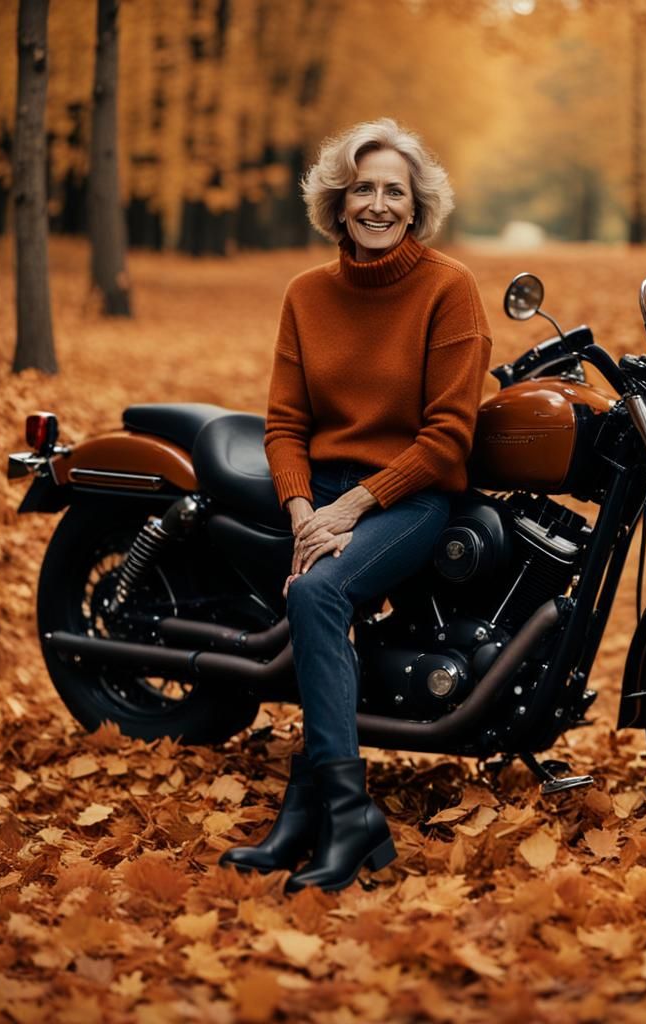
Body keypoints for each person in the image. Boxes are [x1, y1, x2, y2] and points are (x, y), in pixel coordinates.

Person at [219, 118, 493, 893]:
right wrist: (305, 511)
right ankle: (317, 816)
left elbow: (447, 438)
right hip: (324, 497)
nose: (377, 203)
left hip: (408, 495)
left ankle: (344, 817)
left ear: (416, 208)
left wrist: (352, 510)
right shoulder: (307, 294)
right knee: (315, 601)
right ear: (338, 206)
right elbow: (285, 424)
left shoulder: (449, 288)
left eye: (393, 192)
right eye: (363, 189)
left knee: (317, 591)